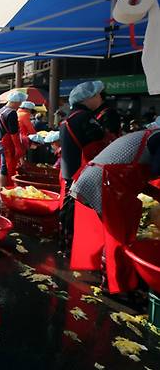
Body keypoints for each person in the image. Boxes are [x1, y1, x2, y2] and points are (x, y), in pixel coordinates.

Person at [70, 128, 160, 294]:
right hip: (106, 182)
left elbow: (137, 175)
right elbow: (155, 170)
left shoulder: (150, 134)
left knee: (115, 233)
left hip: (100, 179)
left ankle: (107, 274)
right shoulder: (158, 138)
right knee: (120, 236)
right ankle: (117, 285)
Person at [58, 81, 106, 255]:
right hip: (83, 172)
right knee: (81, 214)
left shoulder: (68, 118)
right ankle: (81, 250)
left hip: (70, 172)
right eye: (98, 95)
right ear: (88, 98)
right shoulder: (85, 118)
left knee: (70, 210)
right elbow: (99, 144)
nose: (101, 98)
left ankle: (67, 245)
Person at [0, 91, 26, 188]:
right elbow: (14, 133)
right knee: (7, 167)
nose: (20, 105)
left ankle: (0, 188)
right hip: (7, 143)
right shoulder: (11, 113)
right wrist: (18, 148)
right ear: (16, 101)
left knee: (2, 166)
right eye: (20, 102)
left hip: (0, 142)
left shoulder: (0, 111)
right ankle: (5, 188)